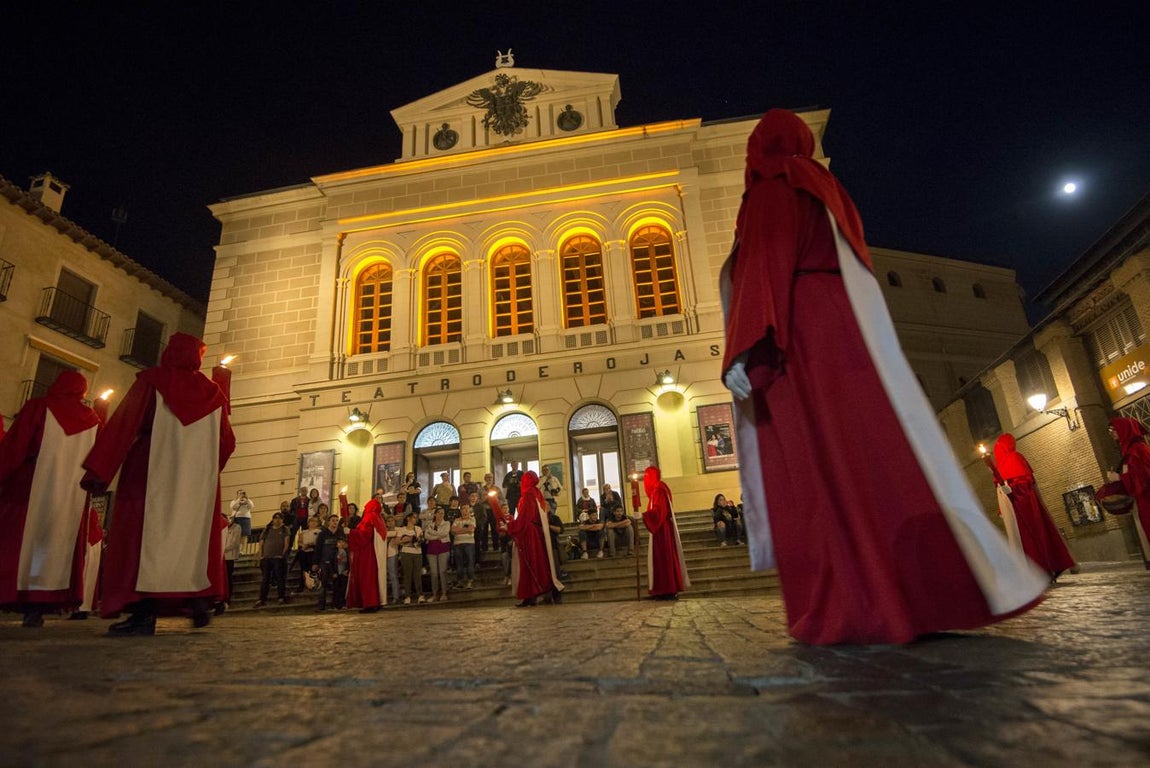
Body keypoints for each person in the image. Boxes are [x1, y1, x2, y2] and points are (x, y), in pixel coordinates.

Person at [719, 109, 1047, 644]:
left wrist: (744, 346)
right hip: (849, 326)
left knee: (822, 465)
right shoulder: (825, 186)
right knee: (871, 453)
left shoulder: (774, 187)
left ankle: (857, 598)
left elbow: (767, 260)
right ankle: (918, 591)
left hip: (800, 328)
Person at [81, 333, 236, 634]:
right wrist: (204, 469)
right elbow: (227, 442)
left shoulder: (152, 381)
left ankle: (143, 613)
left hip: (148, 470)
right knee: (190, 540)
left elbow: (124, 423)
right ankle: (197, 601)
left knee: (139, 540)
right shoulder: (214, 393)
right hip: (196, 481)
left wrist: (99, 470)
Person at [0, 370, 101, 627]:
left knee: (16, 542)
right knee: (54, 546)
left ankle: (13, 593)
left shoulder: (39, 407)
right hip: (72, 495)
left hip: (31, 485)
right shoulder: (94, 420)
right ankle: (39, 604)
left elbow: (16, 446)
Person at [993, 434, 1076, 582]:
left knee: (1033, 540)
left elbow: (1025, 486)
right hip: (1017, 510)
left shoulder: (1014, 458)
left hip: (1026, 510)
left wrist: (1011, 491)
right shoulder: (1004, 464)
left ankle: (1043, 570)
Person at [506, 471, 564, 607]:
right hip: (536, 532)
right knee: (536, 564)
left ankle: (531, 595)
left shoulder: (528, 494)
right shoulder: (536, 493)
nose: (521, 483)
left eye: (523, 480)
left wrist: (511, 525)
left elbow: (526, 517)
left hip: (529, 533)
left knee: (529, 564)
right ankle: (531, 596)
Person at [641, 467, 689, 599]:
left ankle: (667, 589)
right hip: (660, 528)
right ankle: (661, 590)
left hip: (662, 529)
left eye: (647, 476)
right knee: (660, 559)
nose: (645, 480)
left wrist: (644, 515)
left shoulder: (658, 490)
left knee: (663, 558)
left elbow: (659, 511)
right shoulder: (658, 488)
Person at [1109, 418, 1150, 568]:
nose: (1112, 434)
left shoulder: (1137, 450)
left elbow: (1142, 476)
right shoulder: (1131, 450)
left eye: (1113, 430)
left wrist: (1119, 478)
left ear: (1124, 430)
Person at [347, 496, 388, 613]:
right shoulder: (379, 518)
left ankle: (369, 603)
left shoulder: (370, 517)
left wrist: (350, 532)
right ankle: (375, 601)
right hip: (373, 553)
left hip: (366, 553)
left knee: (366, 578)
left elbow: (365, 535)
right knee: (372, 578)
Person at [255, 512, 291, 607]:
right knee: (265, 579)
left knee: (280, 578)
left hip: (278, 557)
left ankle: (281, 597)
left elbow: (286, 543)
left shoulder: (285, 529)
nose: (277, 520)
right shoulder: (267, 529)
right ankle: (262, 598)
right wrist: (261, 555)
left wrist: (282, 555)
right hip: (266, 557)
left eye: (279, 518)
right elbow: (261, 542)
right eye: (275, 518)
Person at [395, 512, 424, 605]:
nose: (415, 519)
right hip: (406, 553)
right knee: (407, 575)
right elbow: (397, 541)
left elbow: (421, 539)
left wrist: (416, 540)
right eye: (413, 517)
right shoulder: (402, 529)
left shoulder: (418, 529)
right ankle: (407, 596)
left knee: (417, 575)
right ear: (408, 518)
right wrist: (405, 540)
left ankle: (420, 595)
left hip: (417, 553)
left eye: (416, 518)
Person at [424, 506, 452, 601]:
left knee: (442, 572)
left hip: (443, 548)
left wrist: (432, 533)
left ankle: (444, 593)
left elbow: (444, 533)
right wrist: (437, 537)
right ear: (435, 514)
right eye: (439, 512)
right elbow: (426, 535)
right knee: (434, 573)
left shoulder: (447, 523)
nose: (441, 514)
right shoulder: (430, 524)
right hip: (431, 549)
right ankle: (434, 594)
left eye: (442, 513)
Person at [220, 513, 244, 613]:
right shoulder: (222, 528)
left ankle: (228, 597)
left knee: (228, 577)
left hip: (229, 556)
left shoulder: (236, 528)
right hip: (221, 556)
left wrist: (222, 549)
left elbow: (234, 542)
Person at [452, 503, 477, 589]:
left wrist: (459, 530)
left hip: (469, 543)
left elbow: (471, 529)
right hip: (457, 543)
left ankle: (470, 581)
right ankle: (460, 581)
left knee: (470, 562)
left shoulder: (472, 519)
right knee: (459, 564)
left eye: (467, 508)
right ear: (461, 510)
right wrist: (465, 530)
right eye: (463, 508)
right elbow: (453, 530)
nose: (465, 510)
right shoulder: (456, 520)